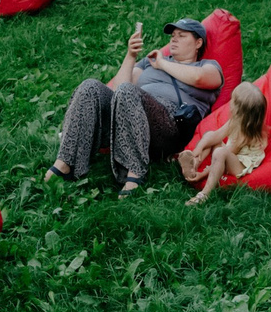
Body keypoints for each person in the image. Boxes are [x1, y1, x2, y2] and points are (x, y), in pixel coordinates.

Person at [47, 18, 224, 196]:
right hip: (129, 114)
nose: (173, 39)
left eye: (181, 35)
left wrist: (162, 64)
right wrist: (131, 55)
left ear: (198, 43)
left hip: (168, 126)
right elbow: (118, 90)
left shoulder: (207, 66)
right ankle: (65, 162)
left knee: (129, 92)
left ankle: (134, 173)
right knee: (90, 87)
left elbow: (199, 78)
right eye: (172, 36)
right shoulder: (149, 63)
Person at [178, 82, 268, 204]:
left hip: (240, 164)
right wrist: (198, 149)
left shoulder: (245, 134)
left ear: (238, 110)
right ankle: (194, 163)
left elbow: (225, 154)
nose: (230, 103)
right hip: (231, 154)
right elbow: (216, 136)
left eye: (233, 100)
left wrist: (203, 174)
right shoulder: (236, 121)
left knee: (220, 152)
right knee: (210, 135)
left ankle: (204, 194)